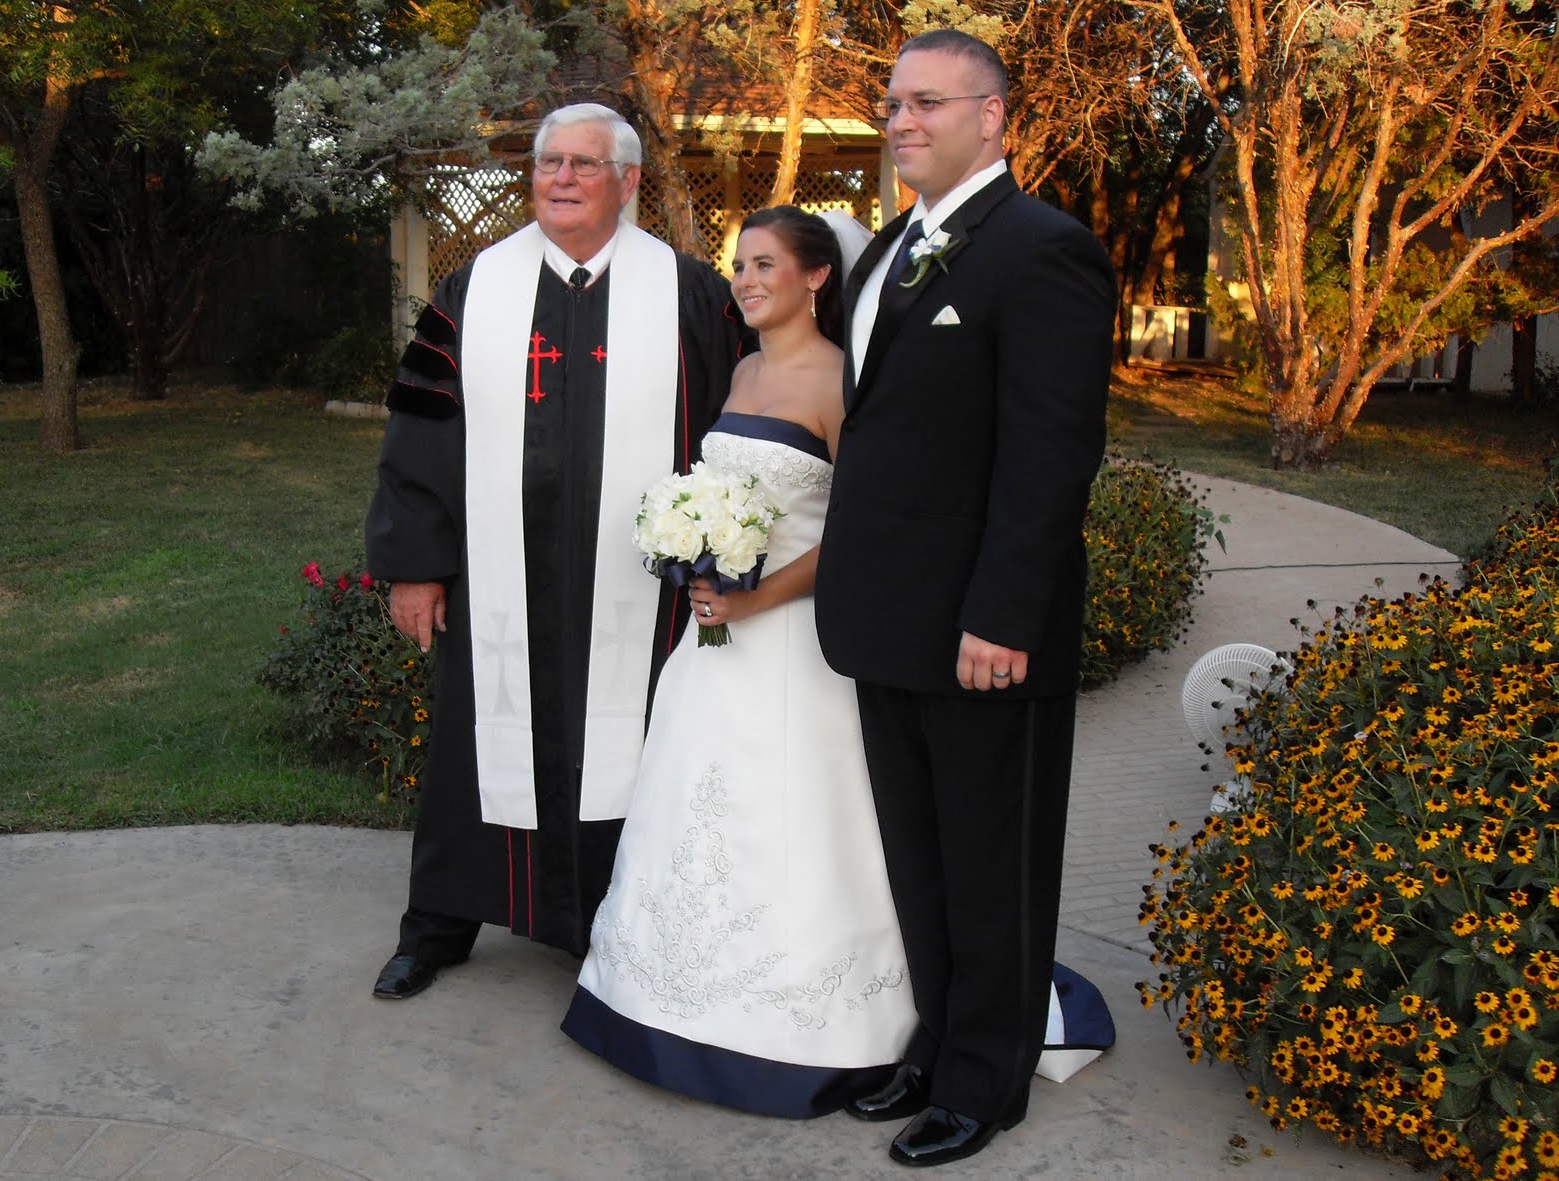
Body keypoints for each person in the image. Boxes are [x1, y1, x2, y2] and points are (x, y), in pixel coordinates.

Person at [814, 30, 1116, 1168]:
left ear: (992, 117)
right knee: (921, 855)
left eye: (925, 102)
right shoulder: (892, 243)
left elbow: (1048, 457)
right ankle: (938, 1041)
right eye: (891, 102)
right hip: (886, 616)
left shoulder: (1043, 251)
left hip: (981, 627)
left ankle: (986, 1080)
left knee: (992, 860)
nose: (900, 120)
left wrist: (1000, 614)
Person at [364, 103, 745, 1000]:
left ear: (629, 182)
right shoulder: (474, 290)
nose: (561, 179)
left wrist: (726, 553)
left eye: (582, 164)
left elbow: (736, 431)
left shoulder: (690, 294)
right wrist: (416, 562)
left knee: (634, 744)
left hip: (641, 591)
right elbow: (419, 430)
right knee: (474, 744)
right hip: (503, 579)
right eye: (547, 164)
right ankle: (440, 923)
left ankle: (604, 924)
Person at [558, 206, 921, 1116]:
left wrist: (757, 595)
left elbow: (857, 529)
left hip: (795, 643)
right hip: (714, 642)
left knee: (791, 817)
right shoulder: (747, 367)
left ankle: (803, 1028)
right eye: (738, 265)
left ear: (815, 278)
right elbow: (722, 492)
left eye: (764, 264)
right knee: (691, 803)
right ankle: (655, 1001)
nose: (745, 280)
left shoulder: (843, 383)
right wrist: (694, 555)